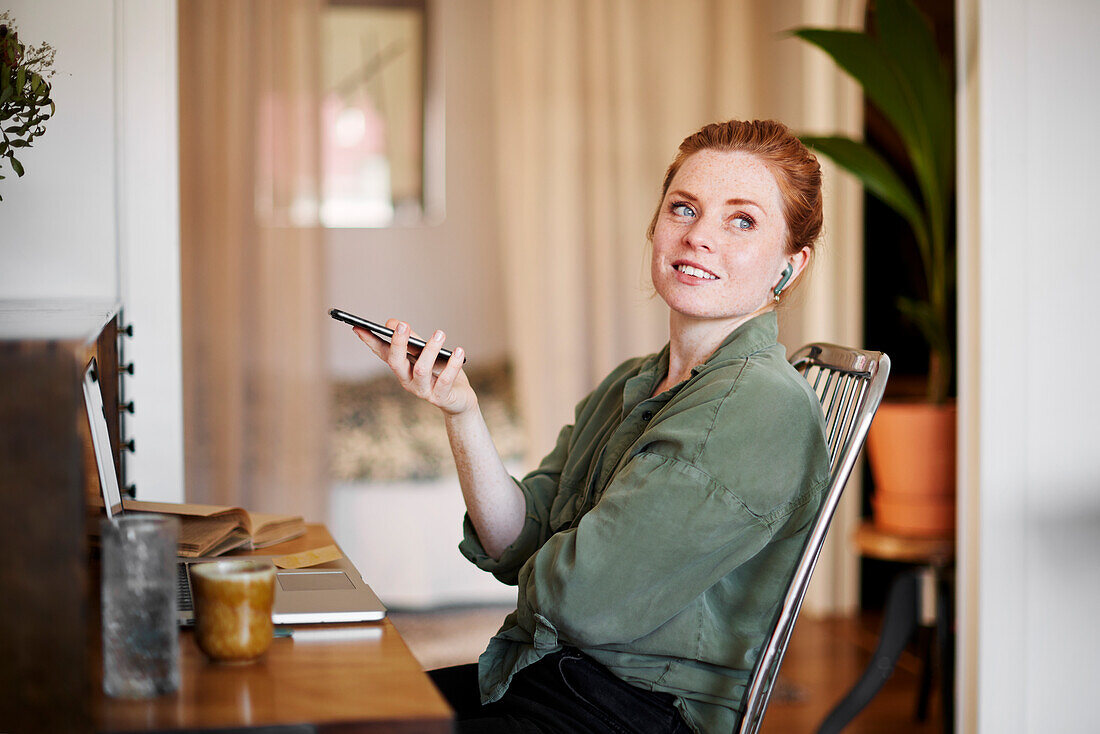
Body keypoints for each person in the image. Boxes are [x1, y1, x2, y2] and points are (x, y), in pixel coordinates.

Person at [352, 119, 830, 733]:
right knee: (340, 709)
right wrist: (461, 409)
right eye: (683, 208)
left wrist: (554, 562)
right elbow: (515, 540)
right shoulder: (635, 381)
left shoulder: (756, 408)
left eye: (742, 221)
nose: (698, 237)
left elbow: (582, 602)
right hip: (548, 674)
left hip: (631, 710)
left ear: (789, 266)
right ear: (655, 227)